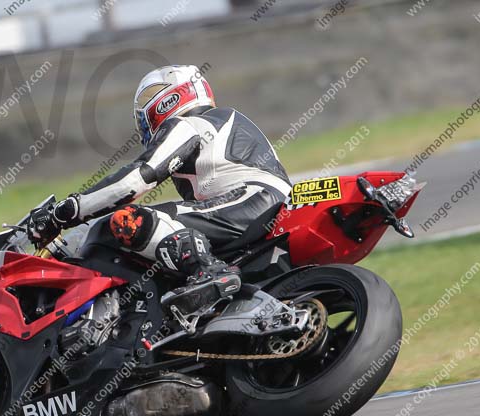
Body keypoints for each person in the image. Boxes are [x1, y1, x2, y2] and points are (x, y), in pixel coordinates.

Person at [28, 65, 292, 312]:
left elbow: (135, 180)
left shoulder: (191, 123)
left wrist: (67, 211)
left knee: (131, 220)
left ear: (171, 98)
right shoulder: (219, 123)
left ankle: (210, 271)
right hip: (258, 204)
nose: (142, 115)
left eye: (150, 99)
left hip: (253, 199)